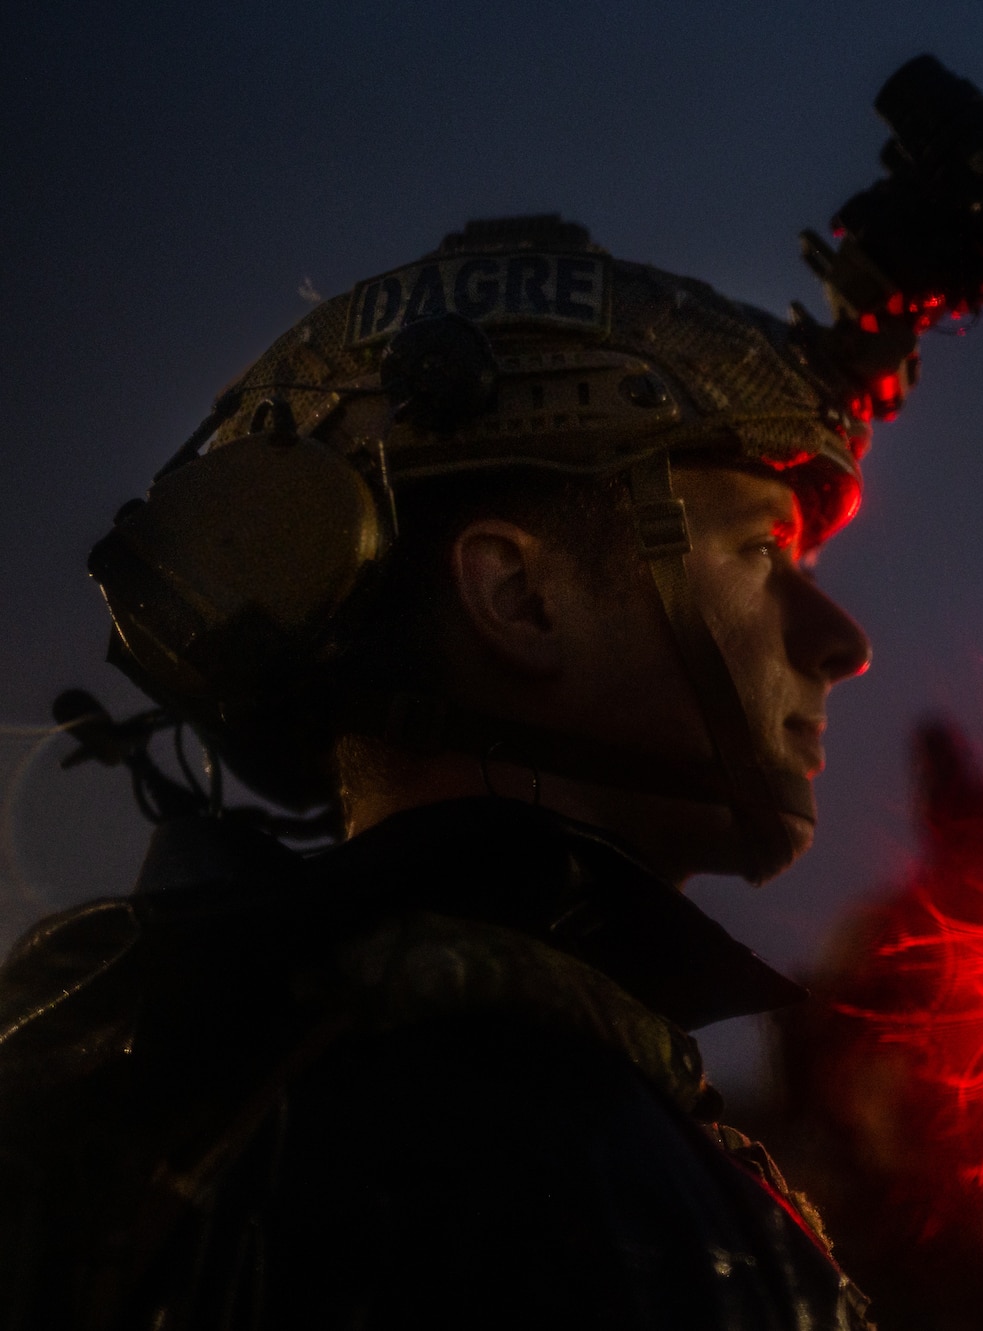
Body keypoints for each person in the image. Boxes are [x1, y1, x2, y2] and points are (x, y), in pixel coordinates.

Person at [0, 215, 879, 1331]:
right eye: (760, 551)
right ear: (518, 597)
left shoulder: (262, 1073)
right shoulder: (518, 1142)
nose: (842, 639)